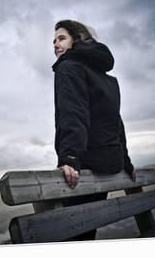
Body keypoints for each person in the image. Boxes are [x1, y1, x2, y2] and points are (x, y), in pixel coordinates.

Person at [52, 19, 136, 241]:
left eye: (61, 38)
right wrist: (125, 161)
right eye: (53, 41)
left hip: (86, 164)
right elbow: (115, 123)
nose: (55, 45)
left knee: (73, 237)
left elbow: (72, 113)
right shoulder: (106, 78)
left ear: (77, 40)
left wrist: (69, 156)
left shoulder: (68, 68)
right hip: (108, 162)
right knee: (86, 232)